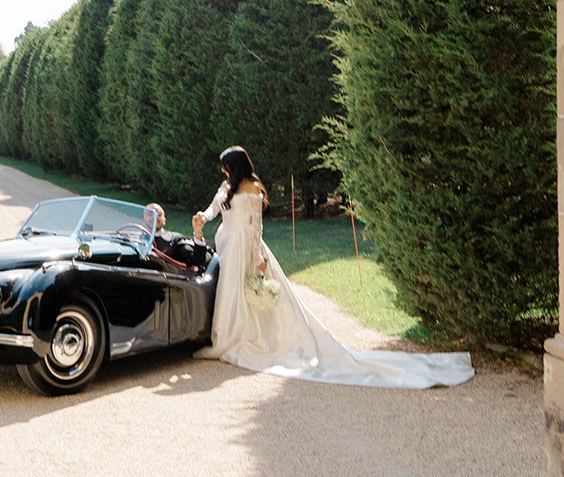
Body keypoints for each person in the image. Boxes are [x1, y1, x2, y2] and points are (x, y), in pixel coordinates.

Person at [192, 146, 473, 389]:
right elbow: (213, 209)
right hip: (228, 244)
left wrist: (257, 257)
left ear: (236, 166)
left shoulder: (252, 189)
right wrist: (202, 218)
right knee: (230, 292)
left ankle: (250, 339)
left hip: (245, 245)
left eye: (226, 165)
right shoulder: (225, 187)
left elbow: (256, 226)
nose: (222, 170)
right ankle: (230, 336)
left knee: (250, 292)